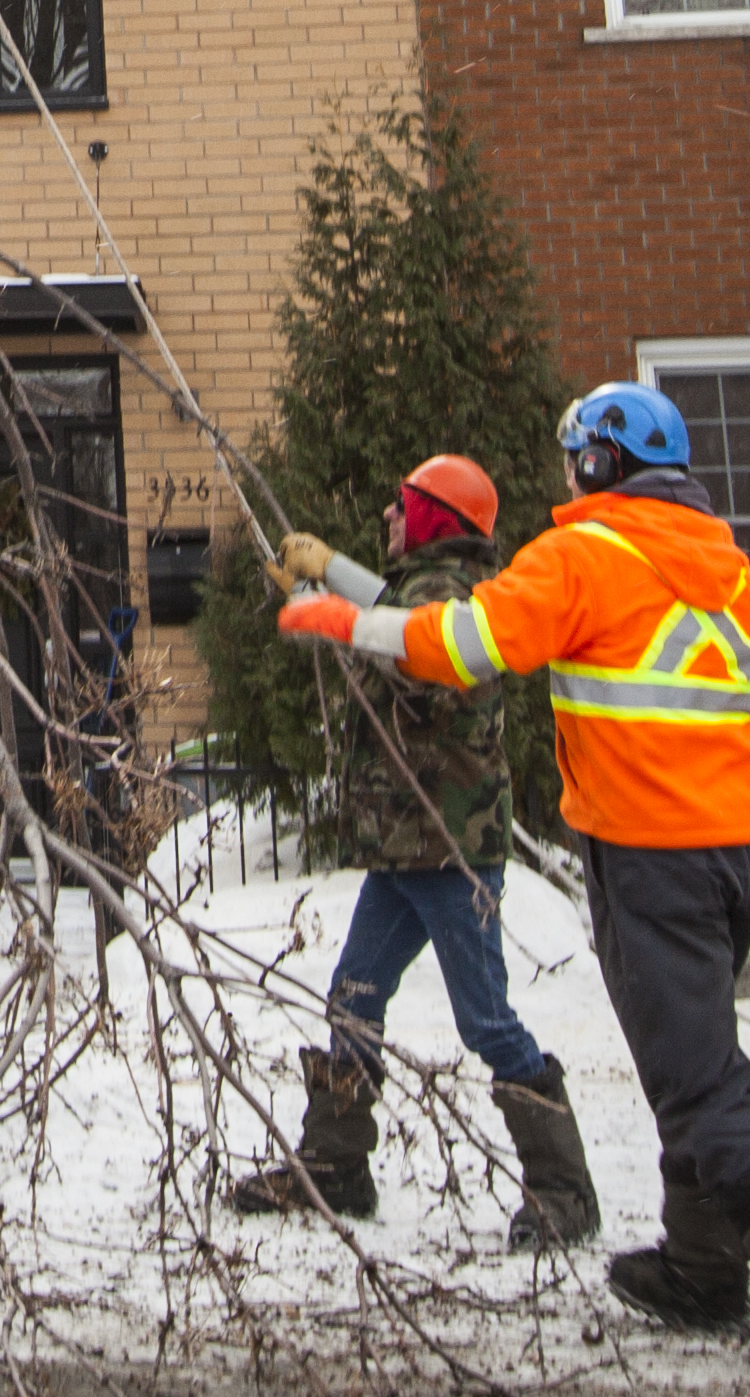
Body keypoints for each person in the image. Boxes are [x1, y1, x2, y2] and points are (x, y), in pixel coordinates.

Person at [279, 382, 750, 1382]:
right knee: (689, 1056)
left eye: (573, 458)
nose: (565, 477)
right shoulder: (734, 575)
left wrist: (341, 621)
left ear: (598, 465)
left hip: (652, 856)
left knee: (700, 1080)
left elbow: (457, 645)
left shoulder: (581, 557)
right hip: (740, 857)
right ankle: (699, 1268)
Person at [234, 454, 599, 1249]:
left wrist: (324, 609)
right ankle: (336, 1167)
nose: (390, 518)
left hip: (450, 848)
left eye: (404, 508)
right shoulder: (431, 586)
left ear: (437, 520)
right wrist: (328, 570)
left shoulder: (451, 597)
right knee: (353, 995)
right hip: (407, 844)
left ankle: (564, 1192)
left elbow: (420, 659)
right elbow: (395, 608)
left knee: (487, 1023)